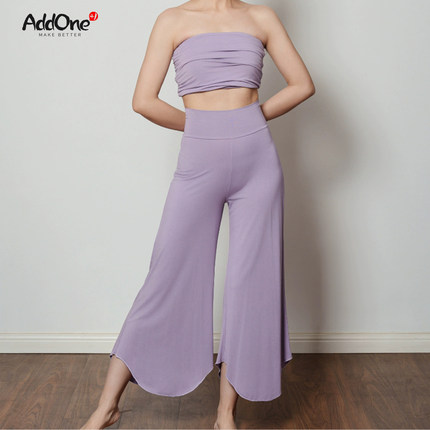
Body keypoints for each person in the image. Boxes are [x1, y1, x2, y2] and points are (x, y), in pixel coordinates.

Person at [81, 1, 315, 429]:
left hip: (259, 166)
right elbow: (143, 101)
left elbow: (302, 85)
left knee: (251, 287)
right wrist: (206, 126)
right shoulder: (173, 20)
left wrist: (248, 119)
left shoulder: (261, 17)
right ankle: (106, 407)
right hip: (198, 164)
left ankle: (226, 415)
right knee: (166, 276)